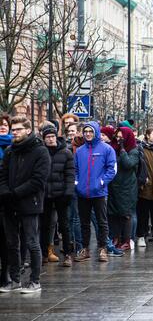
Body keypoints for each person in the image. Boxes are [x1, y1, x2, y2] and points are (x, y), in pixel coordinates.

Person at [0, 117, 50, 293]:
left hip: (30, 202)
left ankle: (34, 281)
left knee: (31, 242)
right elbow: (3, 175)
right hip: (9, 203)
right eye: (13, 129)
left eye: (18, 129)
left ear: (28, 130)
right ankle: (14, 280)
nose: (14, 132)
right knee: (11, 243)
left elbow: (38, 180)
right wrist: (5, 192)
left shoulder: (40, 151)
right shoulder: (9, 151)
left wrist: (15, 193)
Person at [73, 122, 116, 263]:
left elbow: (112, 169)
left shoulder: (107, 149)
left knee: (102, 222)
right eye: (85, 131)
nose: (88, 134)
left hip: (99, 193)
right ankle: (85, 249)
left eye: (90, 131)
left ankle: (102, 248)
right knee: (84, 223)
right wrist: (77, 183)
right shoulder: (79, 151)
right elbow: (75, 170)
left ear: (96, 132)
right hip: (82, 193)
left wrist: (102, 182)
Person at [39, 125, 75, 267]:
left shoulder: (66, 152)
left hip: (61, 193)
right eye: (48, 137)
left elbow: (70, 174)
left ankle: (67, 254)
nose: (51, 139)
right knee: (45, 225)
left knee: (64, 225)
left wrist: (68, 192)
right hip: (46, 194)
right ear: (44, 139)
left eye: (52, 136)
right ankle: (44, 253)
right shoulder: (41, 152)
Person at [106, 127, 140, 251]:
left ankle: (126, 240)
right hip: (113, 185)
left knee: (126, 214)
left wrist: (123, 150)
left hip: (127, 188)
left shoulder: (134, 150)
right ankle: (115, 238)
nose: (119, 139)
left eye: (122, 137)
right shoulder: (112, 149)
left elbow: (128, 164)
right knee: (113, 214)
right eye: (117, 137)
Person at [0, 114, 12, 286]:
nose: (2, 127)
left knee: (7, 236)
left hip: (8, 195)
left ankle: (6, 272)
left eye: (4, 124)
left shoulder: (14, 145)